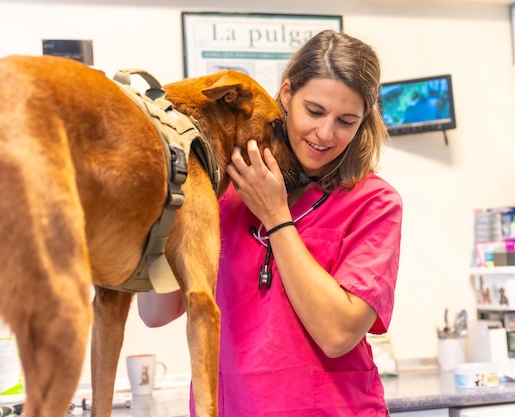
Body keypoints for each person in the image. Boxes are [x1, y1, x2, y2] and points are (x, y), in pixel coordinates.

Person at [138, 29, 402, 416]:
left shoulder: (374, 203)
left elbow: (338, 334)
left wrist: (277, 217)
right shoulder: (223, 191)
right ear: (286, 95)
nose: (325, 134)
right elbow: (155, 313)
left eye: (346, 121)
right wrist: (164, 198)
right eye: (314, 111)